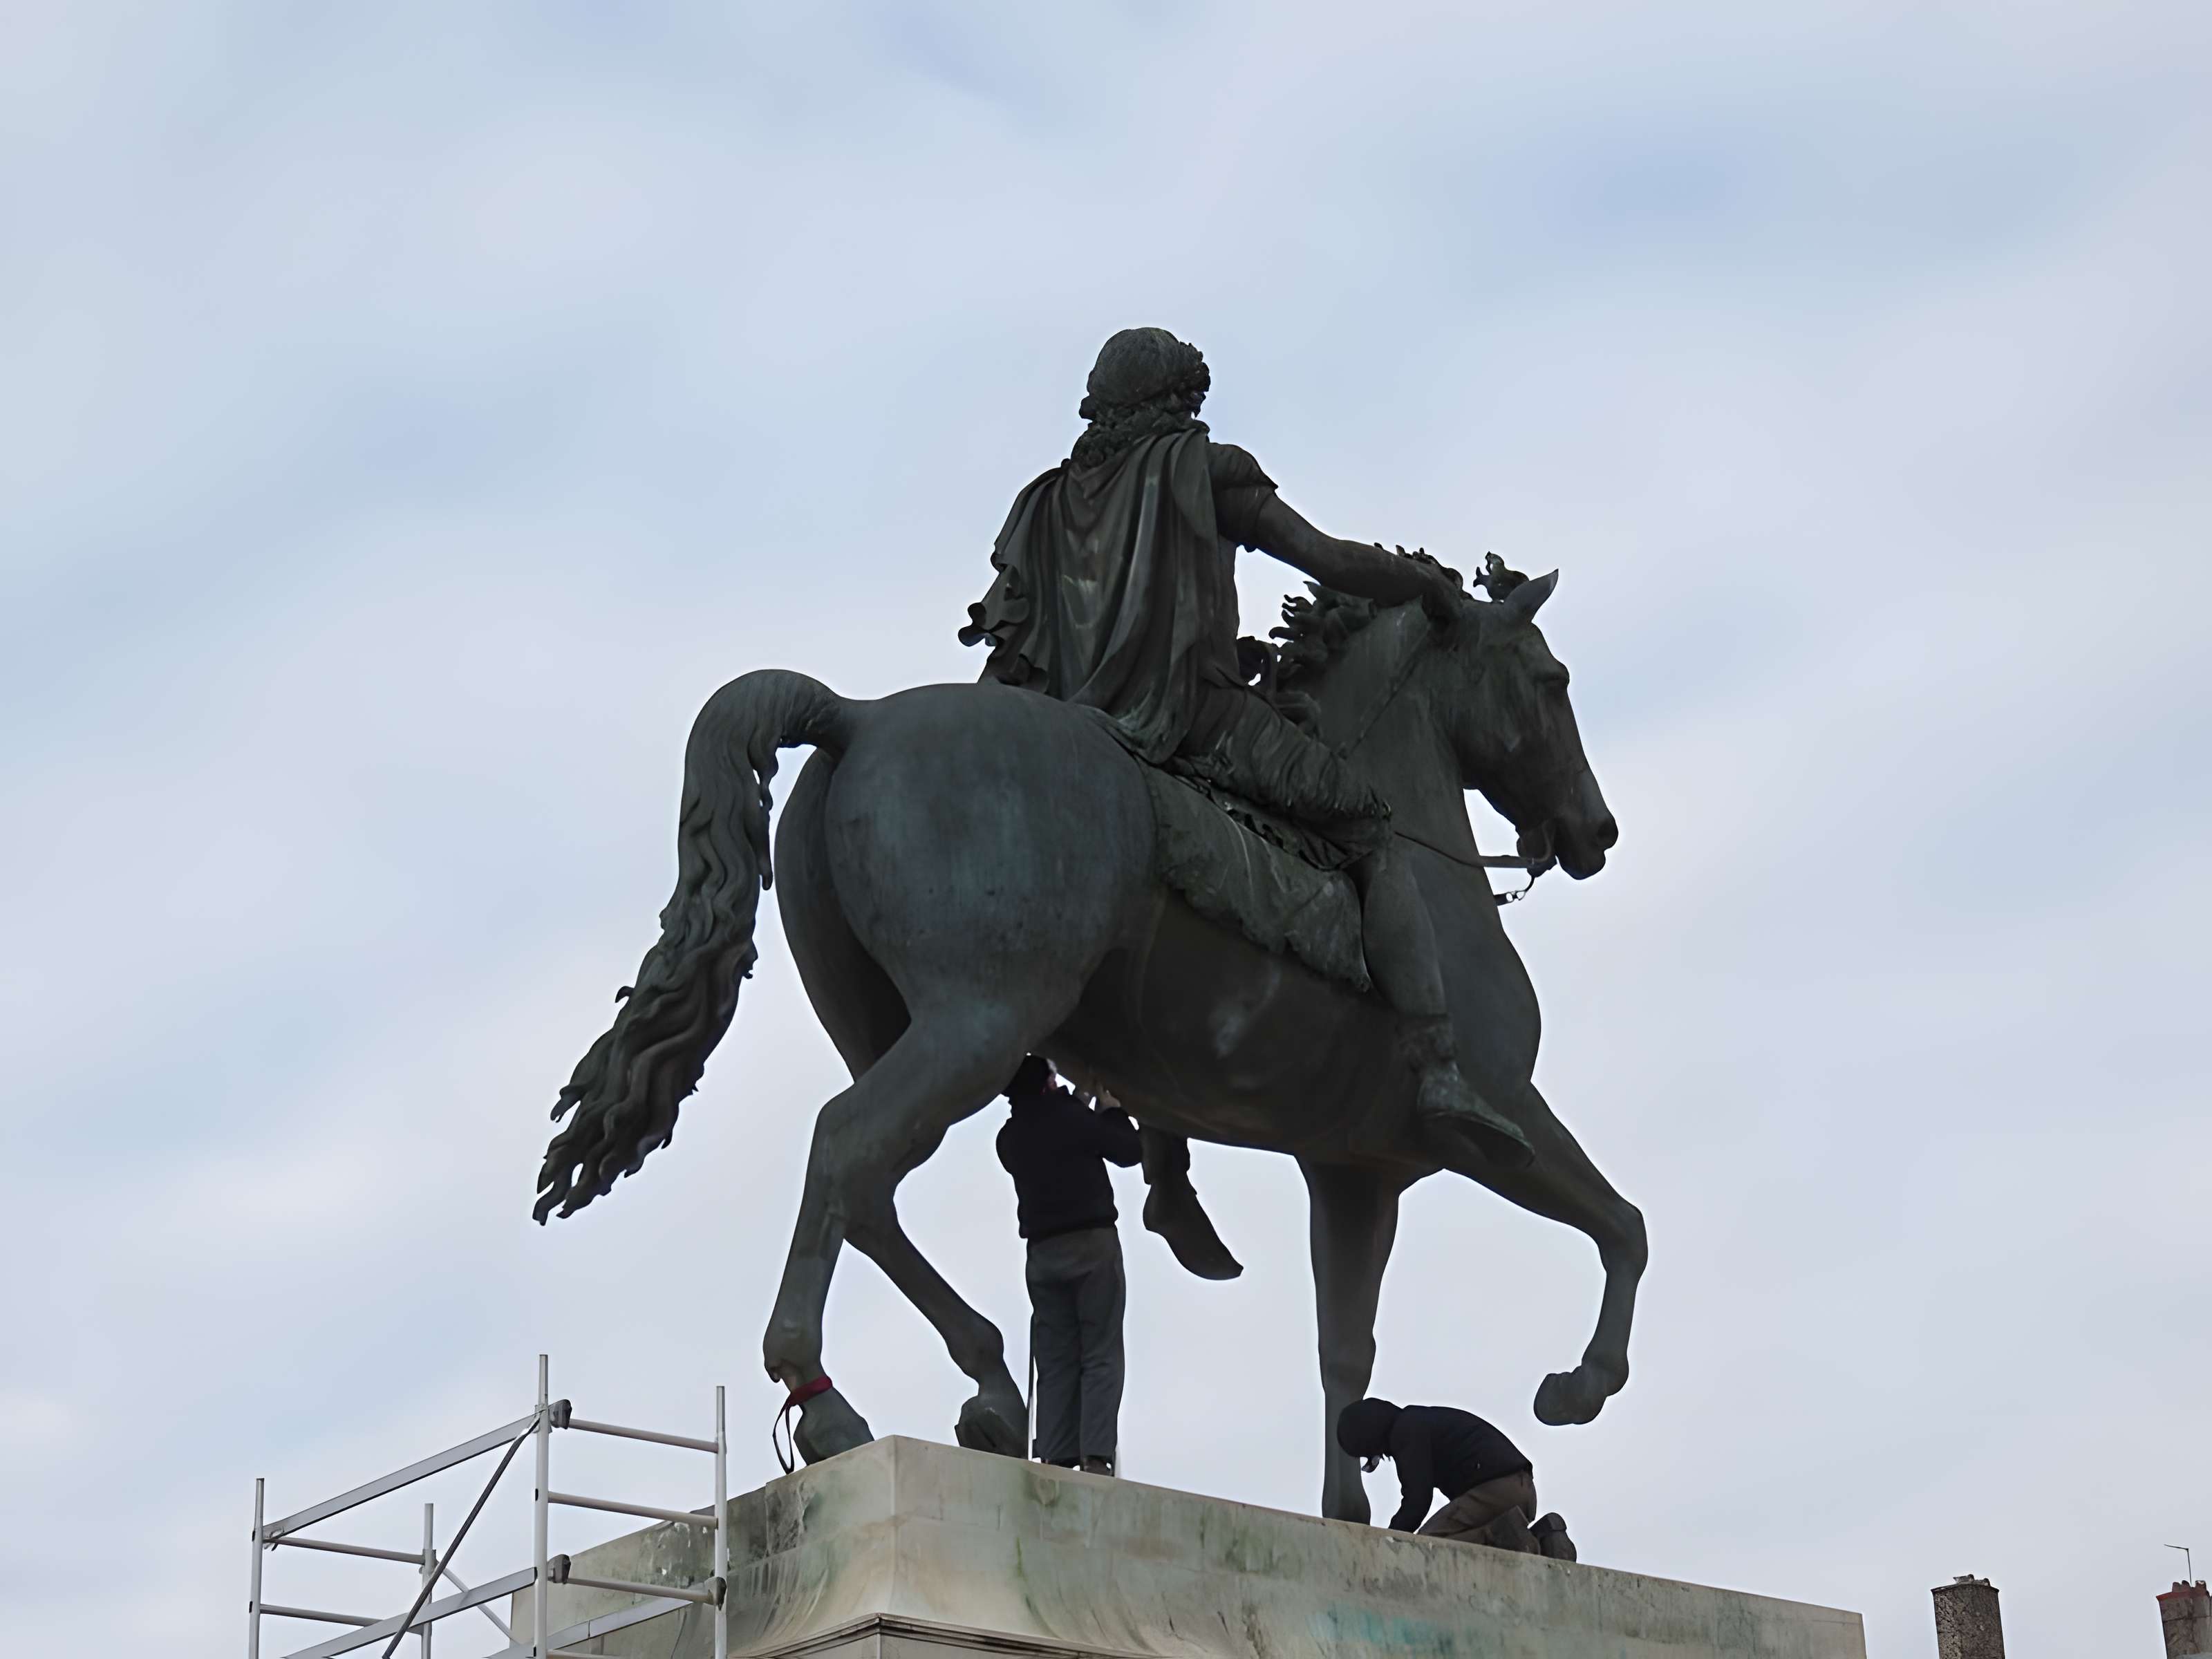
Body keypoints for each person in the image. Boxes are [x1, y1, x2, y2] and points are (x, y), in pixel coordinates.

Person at [960, 327, 1531, 1171]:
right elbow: (1327, 560)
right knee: (1370, 827)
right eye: (1187, 400)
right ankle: (1438, 1065)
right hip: (1197, 719)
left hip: (1077, 727)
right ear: (1171, 402)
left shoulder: (1041, 503)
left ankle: (1167, 1166)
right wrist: (1422, 585)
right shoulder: (1203, 469)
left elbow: (1011, 652)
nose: (1193, 413)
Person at [995, 1055, 1140, 1474]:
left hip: (1042, 1256)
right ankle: (1096, 1457)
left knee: (1056, 1360)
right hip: (1092, 1246)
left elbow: (1051, 1125)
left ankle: (1056, 1457)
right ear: (1046, 1085)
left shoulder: (1009, 1139)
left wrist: (1077, 1101)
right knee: (1100, 1354)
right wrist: (1112, 1110)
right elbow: (1128, 1150)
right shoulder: (1072, 1118)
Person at [1335, 1396, 1575, 1559]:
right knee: (1464, 1535)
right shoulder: (1420, 1421)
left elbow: (1417, 1502)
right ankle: (1544, 1538)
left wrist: (1387, 1541)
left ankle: (1508, 1538)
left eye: (1372, 1455)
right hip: (1522, 1490)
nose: (1379, 1458)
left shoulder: (1406, 1430)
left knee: (1429, 1544)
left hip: (1495, 1489)